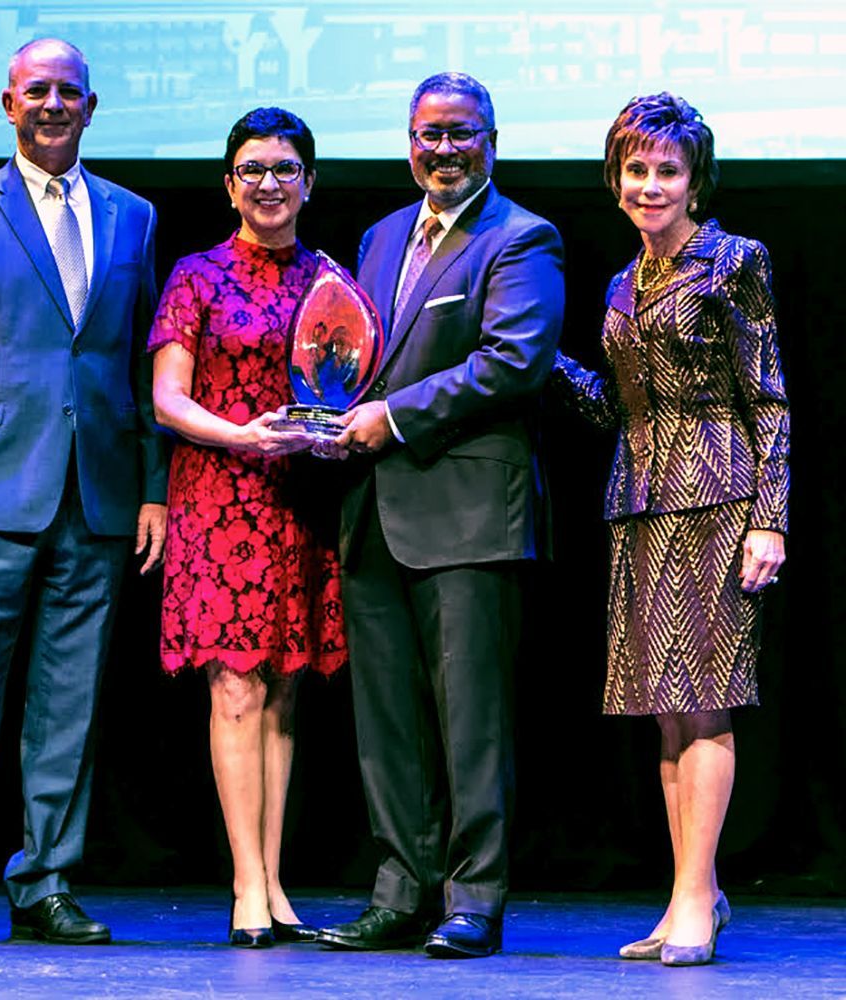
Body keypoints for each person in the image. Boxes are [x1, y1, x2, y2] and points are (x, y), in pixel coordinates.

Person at [0, 38, 168, 946]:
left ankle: (44, 881)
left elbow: (134, 364)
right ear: (8, 104)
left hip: (96, 499)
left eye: (69, 93)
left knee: (69, 701)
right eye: (36, 91)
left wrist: (153, 489)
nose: (53, 105)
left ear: (93, 108)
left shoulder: (131, 216)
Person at [314, 73, 564, 959]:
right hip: (373, 507)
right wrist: (324, 414)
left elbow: (513, 362)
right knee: (386, 723)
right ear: (409, 140)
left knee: (471, 721)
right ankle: (399, 889)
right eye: (430, 135)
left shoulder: (523, 238)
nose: (445, 150)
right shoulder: (382, 236)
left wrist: (393, 416)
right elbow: (359, 356)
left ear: (492, 140)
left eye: (462, 134)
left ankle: (474, 898)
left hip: (466, 510)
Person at [550, 93, 788, 966]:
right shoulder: (623, 281)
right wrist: (538, 362)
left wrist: (772, 521)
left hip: (721, 502)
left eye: (667, 171)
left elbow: (769, 397)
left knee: (704, 700)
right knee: (664, 713)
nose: (651, 186)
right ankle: (694, 891)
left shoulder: (734, 262)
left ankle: (695, 897)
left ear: (695, 180)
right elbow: (618, 407)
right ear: (616, 180)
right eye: (636, 170)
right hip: (639, 502)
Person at [147, 108, 347, 948]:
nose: (270, 183)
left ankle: (275, 880)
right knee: (235, 687)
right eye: (252, 169)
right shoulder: (196, 275)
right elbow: (167, 397)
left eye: (285, 168)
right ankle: (245, 888)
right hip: (218, 497)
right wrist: (241, 435)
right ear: (230, 184)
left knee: (284, 690)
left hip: (299, 502)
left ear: (309, 181)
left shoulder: (332, 281)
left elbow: (343, 386)